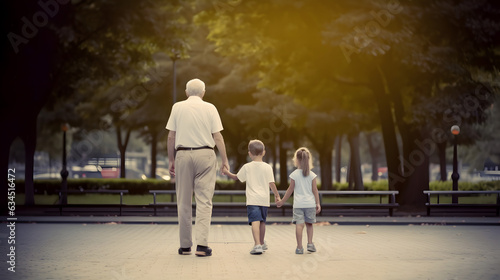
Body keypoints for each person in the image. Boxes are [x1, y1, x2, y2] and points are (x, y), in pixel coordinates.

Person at [166, 78, 229, 257]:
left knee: (183, 201)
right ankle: (202, 246)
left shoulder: (177, 107)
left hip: (183, 155)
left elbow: (171, 137)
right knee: (204, 201)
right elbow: (217, 137)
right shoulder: (211, 108)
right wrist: (225, 159)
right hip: (206, 154)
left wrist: (171, 160)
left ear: (186, 92)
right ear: (203, 92)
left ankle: (185, 246)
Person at [223, 139, 281, 255]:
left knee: (255, 221)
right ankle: (262, 242)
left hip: (252, 199)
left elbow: (236, 177)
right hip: (264, 199)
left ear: (249, 153)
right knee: (262, 222)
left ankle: (257, 245)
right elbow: (272, 183)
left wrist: (226, 172)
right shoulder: (268, 167)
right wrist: (277, 196)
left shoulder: (247, 167)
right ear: (263, 152)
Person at [277, 147, 321, 254]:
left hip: (298, 205)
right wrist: (318, 203)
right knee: (309, 225)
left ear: (296, 159)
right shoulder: (312, 175)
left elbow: (290, 190)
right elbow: (315, 190)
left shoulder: (294, 174)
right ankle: (310, 244)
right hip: (310, 204)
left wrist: (282, 201)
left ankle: (299, 247)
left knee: (299, 225)